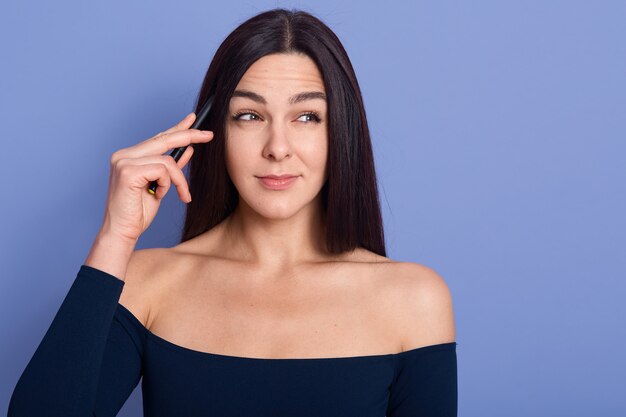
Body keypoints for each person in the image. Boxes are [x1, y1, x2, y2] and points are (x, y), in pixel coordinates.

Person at [8, 7, 457, 417]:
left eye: (306, 117)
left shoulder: (414, 300)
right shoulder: (148, 286)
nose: (277, 148)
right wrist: (116, 236)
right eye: (249, 116)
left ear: (342, 132)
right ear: (211, 132)